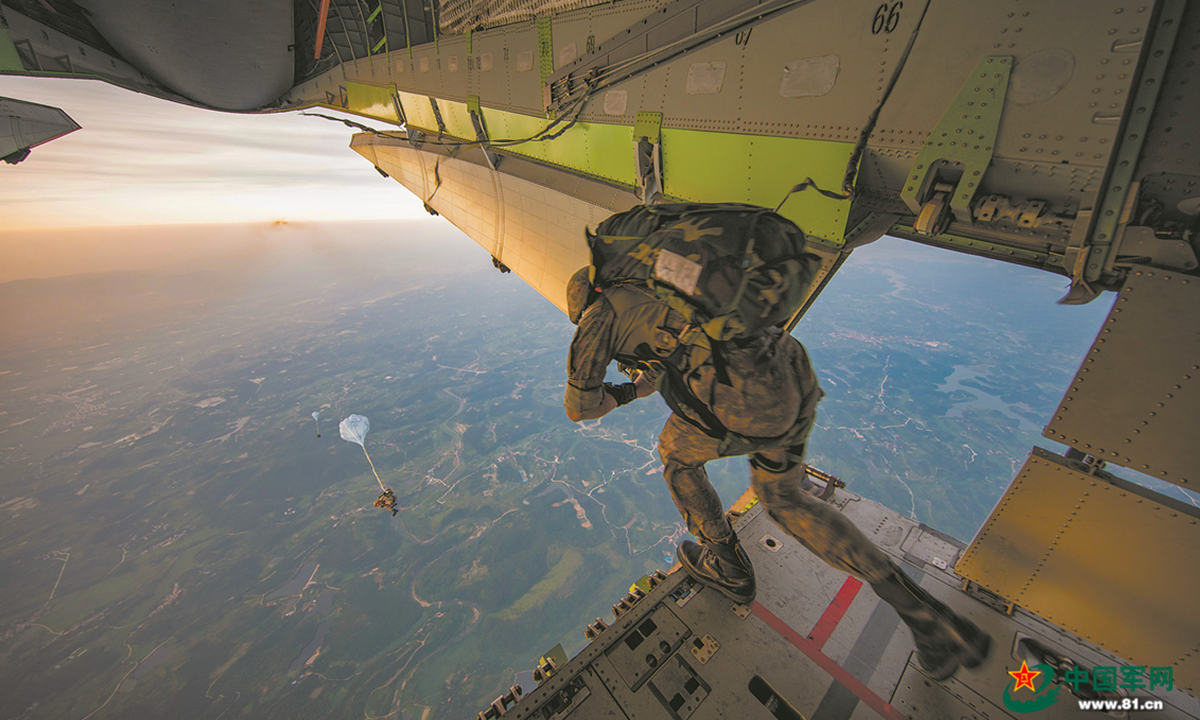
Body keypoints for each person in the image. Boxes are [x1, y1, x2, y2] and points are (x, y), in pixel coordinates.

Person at [562, 267, 990, 680]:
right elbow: (661, 368)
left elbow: (580, 408)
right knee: (784, 499)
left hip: (745, 397)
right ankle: (928, 619)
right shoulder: (658, 287)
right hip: (788, 369)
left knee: (675, 453)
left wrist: (612, 394)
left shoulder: (599, 315)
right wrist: (632, 388)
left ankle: (728, 565)